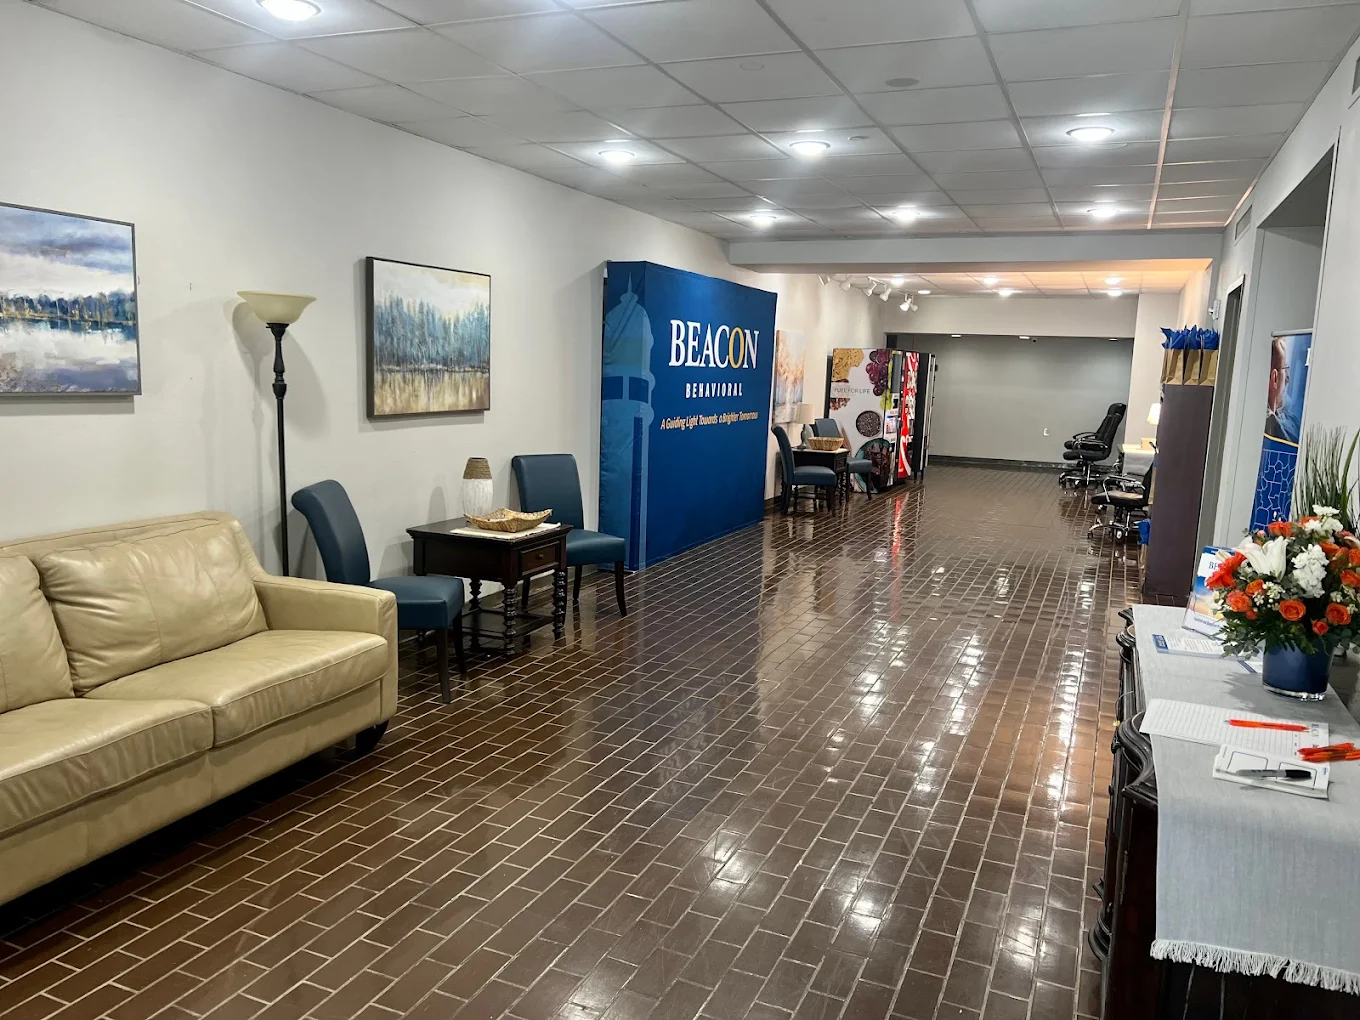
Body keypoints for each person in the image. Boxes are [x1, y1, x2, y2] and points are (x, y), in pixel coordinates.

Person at [1264, 336, 1301, 444]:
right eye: (1285, 369)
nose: (1288, 379)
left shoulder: (1288, 418)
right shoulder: (1271, 424)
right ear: (1274, 378)